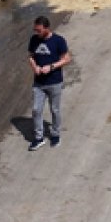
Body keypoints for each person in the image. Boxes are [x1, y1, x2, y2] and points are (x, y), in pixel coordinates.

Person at [26, 16, 72, 151]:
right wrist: (34, 67)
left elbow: (66, 59)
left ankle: (55, 134)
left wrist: (51, 67)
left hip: (54, 82)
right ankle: (39, 137)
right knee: (36, 109)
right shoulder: (34, 40)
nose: (37, 33)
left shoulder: (58, 40)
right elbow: (30, 56)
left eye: (39, 30)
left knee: (55, 109)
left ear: (46, 28)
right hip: (39, 83)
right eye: (35, 30)